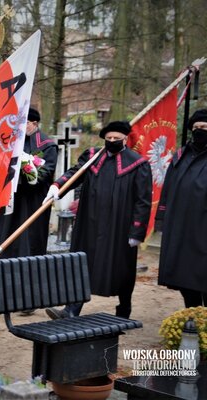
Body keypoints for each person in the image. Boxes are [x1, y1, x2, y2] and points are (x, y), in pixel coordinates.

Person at [43, 121, 152, 320]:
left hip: (119, 226)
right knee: (82, 262)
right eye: (108, 138)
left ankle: (124, 310)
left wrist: (137, 231)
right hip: (90, 222)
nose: (111, 142)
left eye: (116, 139)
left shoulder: (138, 164)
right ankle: (71, 310)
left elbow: (143, 201)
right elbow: (74, 174)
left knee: (121, 269)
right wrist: (58, 186)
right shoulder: (93, 156)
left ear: (125, 139)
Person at [0, 108, 58, 301]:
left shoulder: (47, 146)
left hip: (31, 205)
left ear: (35, 124)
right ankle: (6, 293)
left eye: (25, 124)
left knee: (28, 249)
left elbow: (43, 174)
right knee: (3, 243)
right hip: (8, 202)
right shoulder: (11, 142)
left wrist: (25, 164)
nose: (21, 128)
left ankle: (30, 297)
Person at [156, 109, 207, 307]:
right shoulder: (180, 156)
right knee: (185, 277)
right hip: (181, 226)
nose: (199, 131)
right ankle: (192, 318)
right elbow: (168, 187)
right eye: (195, 128)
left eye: (204, 127)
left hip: (203, 228)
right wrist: (161, 217)